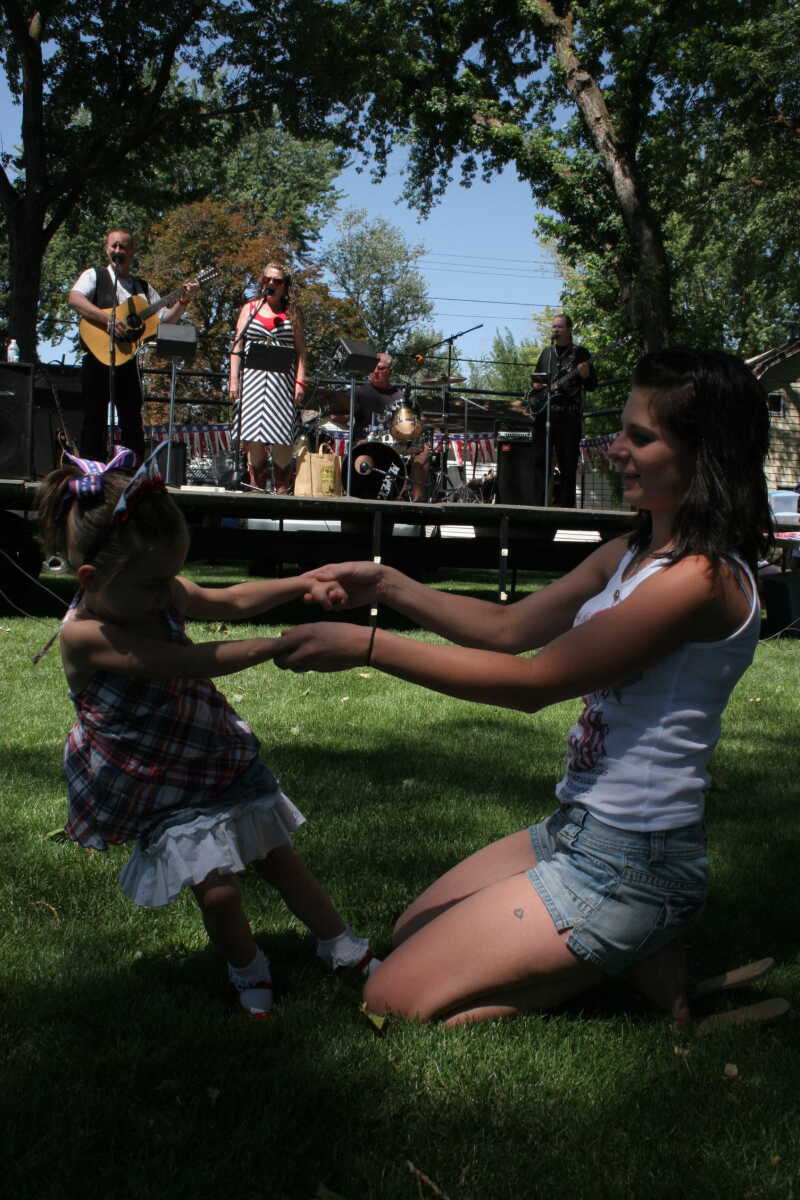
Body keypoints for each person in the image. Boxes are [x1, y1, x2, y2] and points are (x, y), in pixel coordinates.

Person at [273, 347, 774, 1029]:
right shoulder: (633, 553)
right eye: (621, 432)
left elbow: (532, 683)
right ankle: (634, 957)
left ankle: (636, 938)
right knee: (410, 929)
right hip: (578, 830)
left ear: (704, 454)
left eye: (640, 438)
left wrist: (368, 646)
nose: (615, 450)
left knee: (390, 997)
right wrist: (387, 584)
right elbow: (509, 628)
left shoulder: (701, 580)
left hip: (636, 859)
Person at [35, 447, 378, 1017]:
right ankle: (249, 968)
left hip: (210, 751)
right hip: (155, 779)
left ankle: (343, 946)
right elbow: (185, 662)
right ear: (92, 578)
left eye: (172, 577)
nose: (167, 593)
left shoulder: (155, 589)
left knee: (280, 858)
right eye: (155, 584)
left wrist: (303, 583)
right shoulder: (84, 637)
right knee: (217, 891)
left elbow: (230, 599)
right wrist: (279, 645)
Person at [68, 230, 198, 463]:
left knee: (131, 419)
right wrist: (108, 320)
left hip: (129, 362)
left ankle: (131, 470)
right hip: (96, 359)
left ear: (131, 252)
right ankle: (92, 469)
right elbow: (75, 299)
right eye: (114, 246)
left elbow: (165, 320)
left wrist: (184, 300)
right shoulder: (94, 275)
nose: (118, 251)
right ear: (107, 249)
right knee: (94, 417)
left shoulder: (142, 288)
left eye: (123, 247)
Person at [229, 263, 307, 493]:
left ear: (285, 286)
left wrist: (300, 382)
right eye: (267, 279)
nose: (271, 284)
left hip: (281, 382)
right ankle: (257, 487)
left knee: (281, 435)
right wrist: (234, 379)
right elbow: (237, 345)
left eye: (277, 281)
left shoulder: (292, 313)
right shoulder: (250, 308)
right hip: (253, 379)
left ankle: (282, 489)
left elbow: (301, 351)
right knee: (253, 434)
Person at [529, 313, 597, 507]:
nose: (556, 330)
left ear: (569, 330)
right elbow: (537, 381)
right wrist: (539, 388)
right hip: (545, 413)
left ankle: (566, 508)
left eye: (560, 327)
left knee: (567, 464)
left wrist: (585, 375)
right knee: (540, 461)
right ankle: (537, 506)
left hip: (568, 415)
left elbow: (593, 385)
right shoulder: (547, 353)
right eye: (554, 327)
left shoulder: (581, 353)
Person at [354, 354, 431, 502]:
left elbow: (413, 424)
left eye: (380, 368)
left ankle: (417, 500)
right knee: (363, 447)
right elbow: (342, 415)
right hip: (367, 441)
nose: (375, 371)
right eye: (373, 368)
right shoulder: (360, 393)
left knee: (424, 451)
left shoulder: (401, 396)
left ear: (390, 371)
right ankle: (367, 494)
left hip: (396, 442)